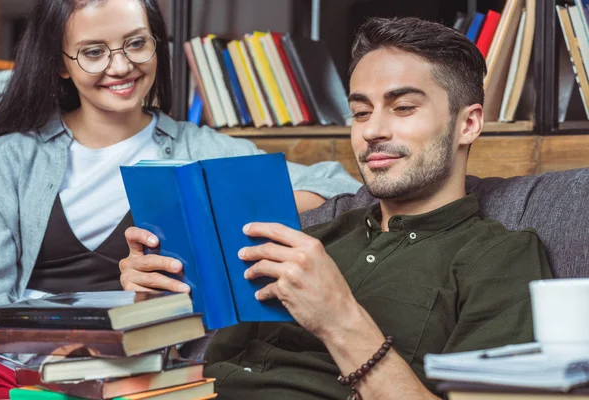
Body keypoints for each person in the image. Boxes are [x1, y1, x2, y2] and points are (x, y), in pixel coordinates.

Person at [182, 17, 550, 399]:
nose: (372, 130)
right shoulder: (312, 239)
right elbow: (205, 370)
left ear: (468, 124)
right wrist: (151, 313)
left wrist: (338, 318)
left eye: (403, 107)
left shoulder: (501, 256)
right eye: (360, 112)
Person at [0, 0, 361, 309]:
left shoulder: (198, 148)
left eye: (136, 43)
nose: (120, 67)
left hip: (156, 358)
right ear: (60, 64)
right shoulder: (10, 159)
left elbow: (337, 183)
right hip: (28, 359)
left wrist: (224, 208)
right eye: (93, 52)